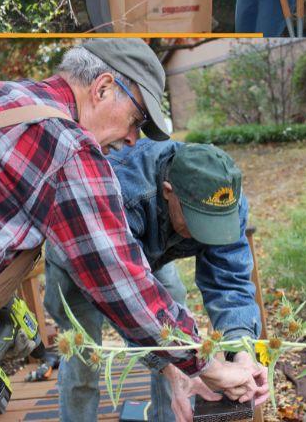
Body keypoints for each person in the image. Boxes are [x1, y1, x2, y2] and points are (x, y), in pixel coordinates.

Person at [0, 39, 269, 422]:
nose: (133, 138)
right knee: (82, 358)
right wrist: (208, 365)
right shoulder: (73, 151)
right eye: (137, 118)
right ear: (103, 88)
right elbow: (122, 286)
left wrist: (235, 348)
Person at [45, 140, 261, 422]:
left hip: (144, 256)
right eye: (198, 224)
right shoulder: (119, 192)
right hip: (80, 256)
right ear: (168, 192)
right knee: (83, 357)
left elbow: (229, 282)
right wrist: (177, 367)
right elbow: (126, 301)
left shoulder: (223, 197)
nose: (206, 237)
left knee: (177, 331)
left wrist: (241, 350)